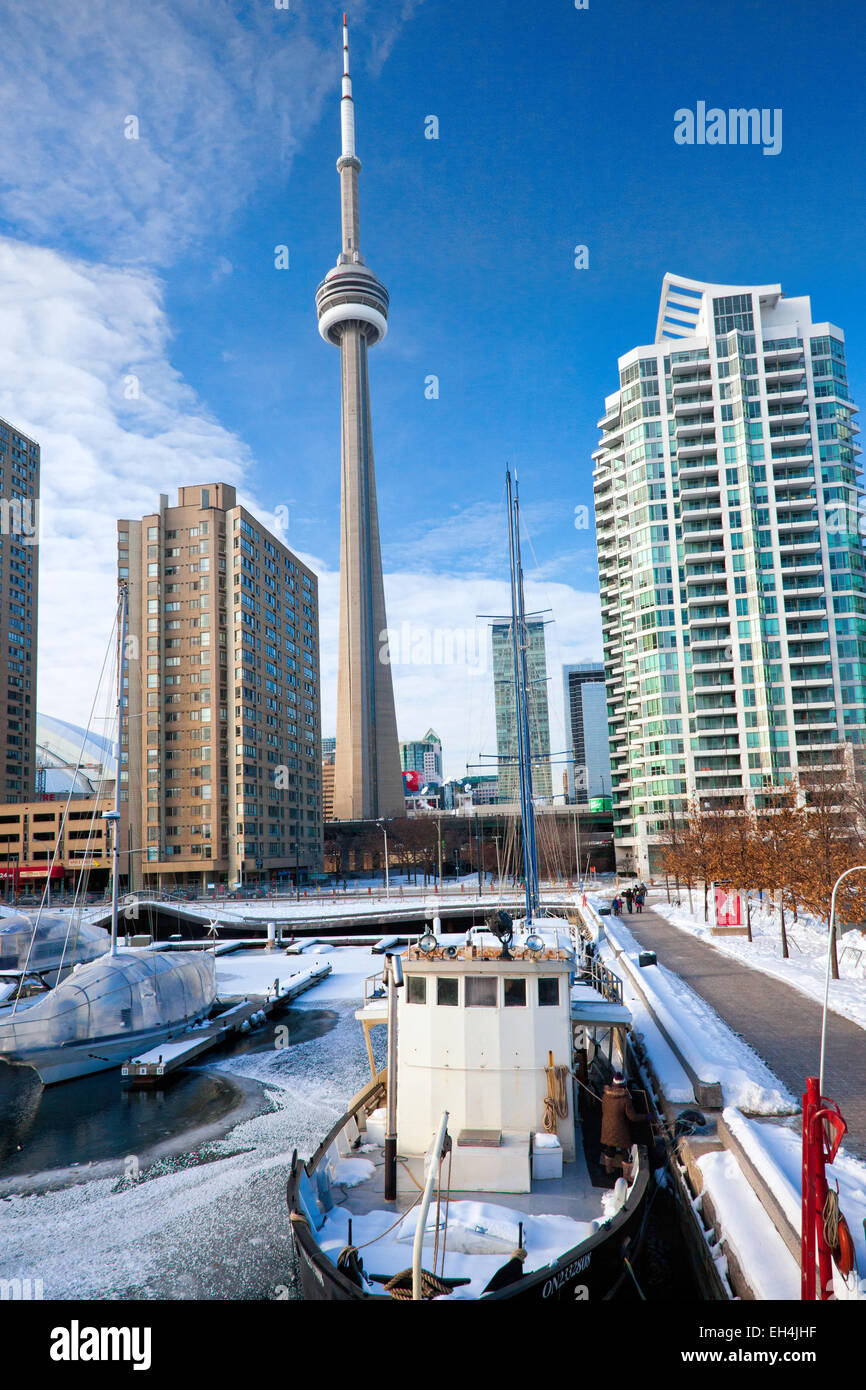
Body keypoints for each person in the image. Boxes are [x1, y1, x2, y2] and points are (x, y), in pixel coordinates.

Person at [600, 1072, 641, 1177]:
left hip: (607, 1129)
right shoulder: (625, 1100)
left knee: (610, 1148)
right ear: (624, 1086)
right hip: (621, 1132)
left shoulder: (605, 1096)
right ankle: (626, 1176)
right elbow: (633, 1117)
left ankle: (608, 1170)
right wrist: (646, 1116)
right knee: (626, 1152)